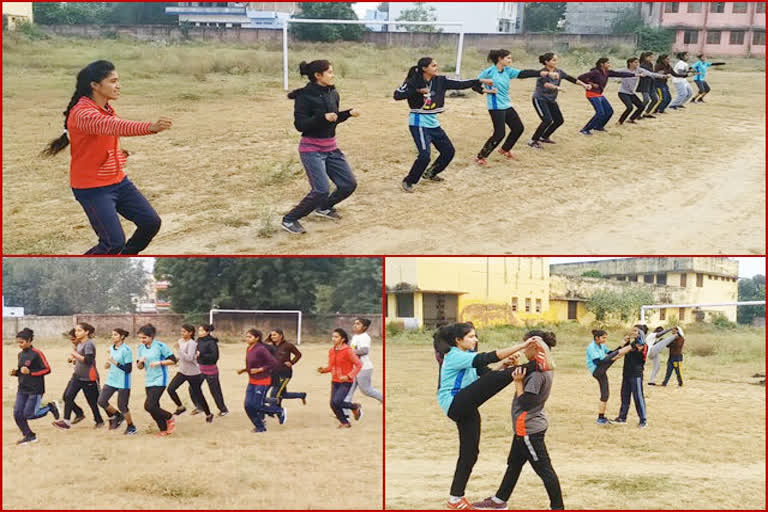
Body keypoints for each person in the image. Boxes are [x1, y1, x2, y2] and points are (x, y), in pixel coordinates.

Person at [40, 60, 171, 254]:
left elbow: (103, 136)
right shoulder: (83, 113)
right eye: (113, 81)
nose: (118, 86)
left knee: (150, 223)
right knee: (112, 243)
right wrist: (150, 127)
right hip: (93, 189)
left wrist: (116, 156)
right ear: (95, 85)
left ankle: (121, 259)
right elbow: (113, 126)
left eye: (118, 81)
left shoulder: (106, 108)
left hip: (118, 182)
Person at [434, 323, 536, 510]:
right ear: (458, 340)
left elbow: (487, 377)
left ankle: (455, 499)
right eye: (471, 336)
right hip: (455, 402)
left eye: (475, 336)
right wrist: (523, 347)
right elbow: (488, 358)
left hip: (466, 404)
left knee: (470, 452)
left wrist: (503, 366)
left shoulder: (469, 358)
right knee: (502, 376)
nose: (476, 339)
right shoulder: (456, 356)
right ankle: (534, 365)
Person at [472, 334, 563, 510]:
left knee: (545, 470)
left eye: (526, 346)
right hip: (527, 426)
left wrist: (518, 383)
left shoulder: (537, 373)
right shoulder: (542, 366)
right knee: (514, 465)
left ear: (536, 348)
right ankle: (499, 500)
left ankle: (558, 507)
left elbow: (526, 403)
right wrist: (515, 368)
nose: (522, 349)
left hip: (528, 429)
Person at [282, 60, 360, 235]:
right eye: (330, 72)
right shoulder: (305, 97)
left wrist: (347, 114)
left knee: (348, 184)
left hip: (331, 148)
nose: (333, 75)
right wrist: (322, 118)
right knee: (321, 190)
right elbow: (300, 125)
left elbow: (333, 118)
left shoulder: (333, 93)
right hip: (311, 149)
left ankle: (324, 208)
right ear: (318, 75)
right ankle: (289, 219)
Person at [394, 57, 492, 192]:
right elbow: (397, 95)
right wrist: (416, 91)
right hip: (418, 123)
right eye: (433, 66)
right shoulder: (413, 82)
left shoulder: (441, 81)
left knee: (448, 151)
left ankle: (430, 173)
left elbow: (461, 84)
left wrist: (479, 81)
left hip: (433, 123)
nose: (436, 68)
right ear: (424, 69)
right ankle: (409, 180)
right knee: (424, 155)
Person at [475, 49, 552, 161]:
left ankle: (505, 149)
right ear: (500, 59)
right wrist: (487, 91)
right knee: (499, 134)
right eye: (508, 58)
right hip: (496, 107)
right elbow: (475, 85)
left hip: (507, 105)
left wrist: (541, 73)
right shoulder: (488, 72)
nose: (510, 60)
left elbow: (523, 73)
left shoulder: (507, 71)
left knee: (518, 128)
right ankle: (481, 157)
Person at [529, 52, 591, 147]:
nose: (556, 62)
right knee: (547, 120)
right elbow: (546, 84)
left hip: (551, 100)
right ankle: (533, 140)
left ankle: (544, 137)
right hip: (540, 99)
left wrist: (584, 85)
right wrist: (557, 88)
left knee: (559, 120)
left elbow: (571, 79)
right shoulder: (543, 72)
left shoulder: (559, 71)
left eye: (556, 60)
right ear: (546, 61)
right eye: (553, 60)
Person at [11, 328, 59, 445]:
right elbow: (23, 371)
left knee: (29, 414)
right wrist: (16, 373)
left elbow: (47, 369)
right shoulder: (20, 354)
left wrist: (31, 372)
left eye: (22, 342)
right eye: (18, 342)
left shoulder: (37, 354)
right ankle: (29, 435)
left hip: (35, 389)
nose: (19, 345)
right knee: (17, 413)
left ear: (29, 341)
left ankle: (50, 407)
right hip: (22, 388)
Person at [53, 322, 104, 430]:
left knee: (92, 402)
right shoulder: (79, 343)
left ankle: (101, 420)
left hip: (88, 378)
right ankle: (66, 421)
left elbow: (89, 361)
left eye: (79, 330)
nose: (76, 333)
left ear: (87, 332)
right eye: (76, 330)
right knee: (67, 396)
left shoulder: (89, 344)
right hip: (77, 376)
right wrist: (74, 359)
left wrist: (75, 355)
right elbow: (80, 358)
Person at [237, 329, 286, 432]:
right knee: (247, 405)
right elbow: (253, 365)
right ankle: (260, 427)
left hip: (263, 381)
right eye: (246, 336)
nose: (247, 338)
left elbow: (273, 363)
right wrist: (245, 370)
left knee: (257, 405)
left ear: (257, 338)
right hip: (252, 381)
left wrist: (260, 369)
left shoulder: (261, 349)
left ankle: (279, 411)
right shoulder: (249, 348)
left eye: (250, 337)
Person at [136, 324, 178, 436]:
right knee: (154, 407)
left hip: (160, 379)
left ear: (152, 336)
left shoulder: (160, 346)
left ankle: (170, 417)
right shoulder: (140, 348)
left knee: (149, 406)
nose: (142, 340)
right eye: (140, 337)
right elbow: (139, 367)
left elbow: (173, 360)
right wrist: (140, 362)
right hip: (148, 380)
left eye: (144, 337)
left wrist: (159, 363)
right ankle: (163, 430)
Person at [317, 328, 363, 428]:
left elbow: (359, 365)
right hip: (335, 381)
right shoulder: (331, 351)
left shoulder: (348, 351)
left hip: (346, 381)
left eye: (336, 337)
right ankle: (344, 422)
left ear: (342, 339)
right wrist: (324, 370)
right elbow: (331, 366)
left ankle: (355, 406)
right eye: (333, 336)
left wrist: (348, 376)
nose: (333, 338)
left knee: (337, 401)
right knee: (332, 404)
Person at [167, 324, 213, 423]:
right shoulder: (180, 341)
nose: (182, 333)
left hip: (193, 374)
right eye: (181, 331)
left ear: (190, 333)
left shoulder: (192, 343)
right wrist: (173, 360)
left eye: (184, 331)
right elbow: (181, 357)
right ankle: (180, 407)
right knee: (171, 389)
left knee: (198, 395)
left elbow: (189, 358)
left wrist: (179, 350)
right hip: (182, 372)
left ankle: (209, 414)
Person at [585, 329, 633, 425]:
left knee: (605, 394)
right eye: (603, 338)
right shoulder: (591, 347)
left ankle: (601, 417)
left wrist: (620, 347)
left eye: (606, 337)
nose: (605, 339)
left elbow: (611, 352)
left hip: (602, 370)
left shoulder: (601, 345)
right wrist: (614, 357)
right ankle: (633, 345)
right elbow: (599, 362)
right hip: (597, 370)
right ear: (596, 338)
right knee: (616, 355)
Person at [577, 58, 635, 135]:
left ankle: (598, 126)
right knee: (600, 113)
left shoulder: (607, 72)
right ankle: (585, 129)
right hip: (592, 94)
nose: (609, 64)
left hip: (599, 94)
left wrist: (634, 74)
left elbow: (619, 74)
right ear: (602, 64)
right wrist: (590, 84)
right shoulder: (596, 72)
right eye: (607, 63)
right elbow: (580, 77)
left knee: (609, 111)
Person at [97, 328, 137, 434]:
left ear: (122, 337)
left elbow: (128, 369)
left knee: (122, 406)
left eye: (115, 335)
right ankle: (118, 416)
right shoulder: (111, 348)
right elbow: (111, 361)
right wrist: (108, 364)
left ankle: (131, 427)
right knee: (101, 401)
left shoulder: (126, 350)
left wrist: (114, 363)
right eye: (112, 334)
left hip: (123, 382)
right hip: (111, 380)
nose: (112, 336)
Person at [344, 318, 383, 415]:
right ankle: (345, 415)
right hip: (354, 369)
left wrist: (350, 352)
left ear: (364, 327)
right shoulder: (355, 337)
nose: (355, 325)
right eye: (354, 323)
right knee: (348, 392)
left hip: (364, 368)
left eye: (358, 324)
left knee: (366, 390)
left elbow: (364, 351)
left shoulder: (365, 337)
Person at [614, 325, 649, 428]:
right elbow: (620, 350)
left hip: (636, 374)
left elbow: (622, 352)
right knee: (624, 395)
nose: (632, 332)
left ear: (641, 333)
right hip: (627, 373)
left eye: (635, 331)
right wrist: (624, 342)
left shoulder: (642, 344)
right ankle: (622, 417)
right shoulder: (630, 343)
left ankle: (643, 420)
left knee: (638, 397)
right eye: (632, 330)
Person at [615, 57, 667, 125]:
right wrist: (617, 80)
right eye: (635, 62)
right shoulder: (624, 70)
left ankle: (631, 119)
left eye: (638, 62)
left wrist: (663, 76)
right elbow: (613, 73)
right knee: (630, 107)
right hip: (623, 92)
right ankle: (620, 122)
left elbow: (651, 74)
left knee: (641, 107)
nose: (637, 64)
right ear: (630, 63)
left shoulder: (639, 70)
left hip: (631, 93)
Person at [268, 328, 307, 406]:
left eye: (274, 335)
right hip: (275, 373)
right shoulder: (271, 347)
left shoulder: (288, 345)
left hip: (285, 373)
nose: (272, 336)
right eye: (271, 335)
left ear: (281, 336)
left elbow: (298, 354)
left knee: (274, 394)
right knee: (283, 394)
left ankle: (275, 410)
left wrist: (292, 362)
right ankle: (301, 395)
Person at [196, 324, 229, 416]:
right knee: (193, 388)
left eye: (202, 331)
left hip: (211, 370)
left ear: (207, 332)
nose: (199, 332)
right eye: (199, 330)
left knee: (215, 391)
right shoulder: (198, 341)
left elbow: (214, 357)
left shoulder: (212, 342)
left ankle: (223, 409)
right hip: (200, 369)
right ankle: (200, 406)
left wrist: (201, 354)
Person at [61, 328, 86, 424]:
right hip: (77, 376)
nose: (72, 342)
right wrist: (71, 359)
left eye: (73, 339)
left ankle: (112, 415)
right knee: (66, 397)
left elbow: (87, 361)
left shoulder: (85, 346)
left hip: (86, 377)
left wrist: (75, 359)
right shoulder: (76, 347)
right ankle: (78, 413)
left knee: (96, 401)